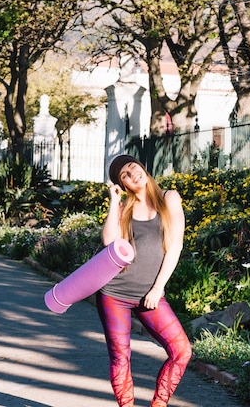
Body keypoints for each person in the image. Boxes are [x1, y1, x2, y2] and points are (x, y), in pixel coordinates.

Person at [98, 154, 192, 407]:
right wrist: (114, 202)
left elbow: (175, 246)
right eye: (124, 176)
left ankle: (158, 404)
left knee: (181, 350)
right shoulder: (123, 208)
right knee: (120, 357)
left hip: (150, 293)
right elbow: (109, 242)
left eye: (132, 167)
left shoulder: (168, 198)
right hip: (114, 293)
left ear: (142, 166)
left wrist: (158, 288)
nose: (132, 174)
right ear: (123, 184)